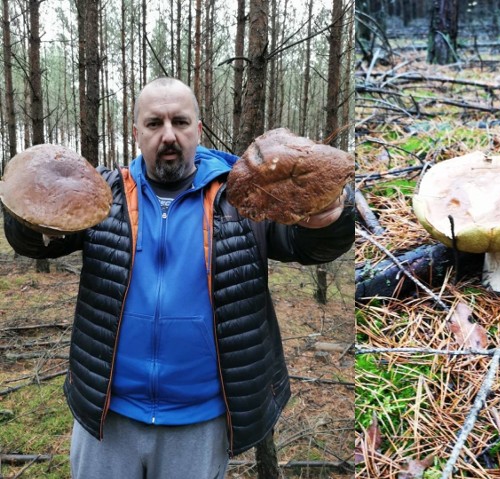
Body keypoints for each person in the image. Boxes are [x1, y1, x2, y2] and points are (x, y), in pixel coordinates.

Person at [3, 77, 354, 478]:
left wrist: (331, 217)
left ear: (198, 130)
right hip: (107, 417)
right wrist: (30, 224)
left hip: (200, 421)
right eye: (154, 124)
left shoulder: (242, 199)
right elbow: (36, 242)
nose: (168, 135)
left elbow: (311, 245)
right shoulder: (103, 195)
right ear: (136, 133)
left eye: (180, 122)